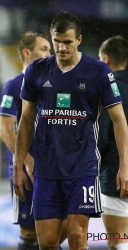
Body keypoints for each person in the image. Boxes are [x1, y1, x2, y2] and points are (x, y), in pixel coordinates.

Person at [13, 11, 128, 250]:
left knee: (77, 236)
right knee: (47, 242)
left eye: (67, 42)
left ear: (79, 40)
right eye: (57, 41)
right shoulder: (36, 71)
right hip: (46, 171)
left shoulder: (98, 72)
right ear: (52, 38)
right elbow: (25, 120)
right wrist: (18, 165)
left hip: (83, 168)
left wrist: (124, 166)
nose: (62, 47)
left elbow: (119, 120)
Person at [0, 32, 51, 249]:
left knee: (59, 227)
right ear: (27, 53)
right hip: (27, 170)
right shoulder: (14, 85)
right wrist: (26, 160)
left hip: (56, 168)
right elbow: (4, 129)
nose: (50, 53)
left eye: (50, 49)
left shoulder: (55, 84)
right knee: (29, 230)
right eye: (44, 49)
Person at [98, 35, 128, 250]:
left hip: (115, 175)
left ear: (106, 60)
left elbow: (101, 135)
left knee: (118, 242)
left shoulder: (107, 89)